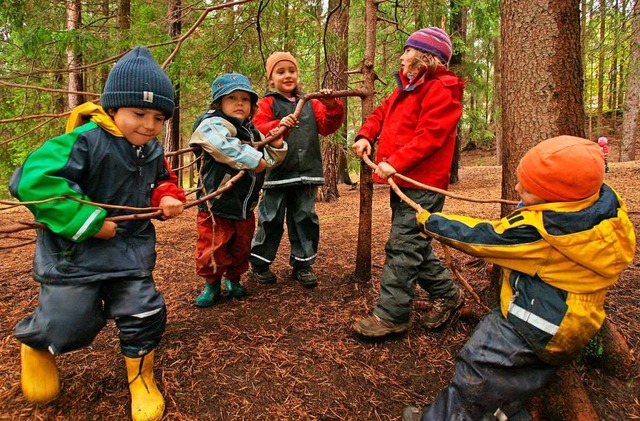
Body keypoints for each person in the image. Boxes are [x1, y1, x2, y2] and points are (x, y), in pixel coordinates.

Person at [9, 46, 186, 421]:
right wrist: (87, 221)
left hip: (132, 251)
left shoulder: (150, 150)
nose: (149, 125)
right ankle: (38, 347)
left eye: (158, 117)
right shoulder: (84, 140)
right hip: (74, 256)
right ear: (113, 108)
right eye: (138, 114)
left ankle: (141, 379)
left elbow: (162, 181)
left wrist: (168, 197)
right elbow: (32, 180)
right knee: (69, 322)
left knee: (144, 311)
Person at [403, 136, 636, 420]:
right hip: (571, 325)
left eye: (526, 188)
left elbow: (484, 238)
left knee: (478, 372)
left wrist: (431, 222)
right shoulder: (603, 208)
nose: (516, 188)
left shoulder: (543, 232)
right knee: (515, 384)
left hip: (532, 327)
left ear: (555, 197)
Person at [351, 27, 466, 337]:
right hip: (403, 181)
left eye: (408, 51)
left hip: (423, 185)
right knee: (413, 244)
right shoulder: (405, 88)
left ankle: (392, 315)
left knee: (403, 246)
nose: (402, 57)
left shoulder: (442, 90)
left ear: (424, 57)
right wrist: (365, 135)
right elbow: (380, 113)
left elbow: (430, 136)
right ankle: (448, 294)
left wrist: (394, 162)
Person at [190, 73, 287, 308]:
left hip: (245, 205)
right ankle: (212, 285)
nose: (239, 103)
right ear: (219, 103)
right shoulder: (211, 123)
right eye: (232, 98)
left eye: (245, 99)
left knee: (241, 246)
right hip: (217, 205)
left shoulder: (251, 131)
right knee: (212, 247)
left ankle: (233, 279)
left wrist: (275, 146)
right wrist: (254, 159)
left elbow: (269, 162)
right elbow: (222, 146)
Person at [249, 51, 345, 288]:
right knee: (270, 218)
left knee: (304, 218)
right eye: (280, 72)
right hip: (277, 174)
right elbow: (258, 128)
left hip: (307, 172)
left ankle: (303, 264)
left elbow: (326, 126)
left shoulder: (311, 102)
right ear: (271, 78)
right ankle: (260, 263)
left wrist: (332, 106)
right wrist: (278, 126)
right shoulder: (267, 103)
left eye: (291, 71)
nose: (287, 76)